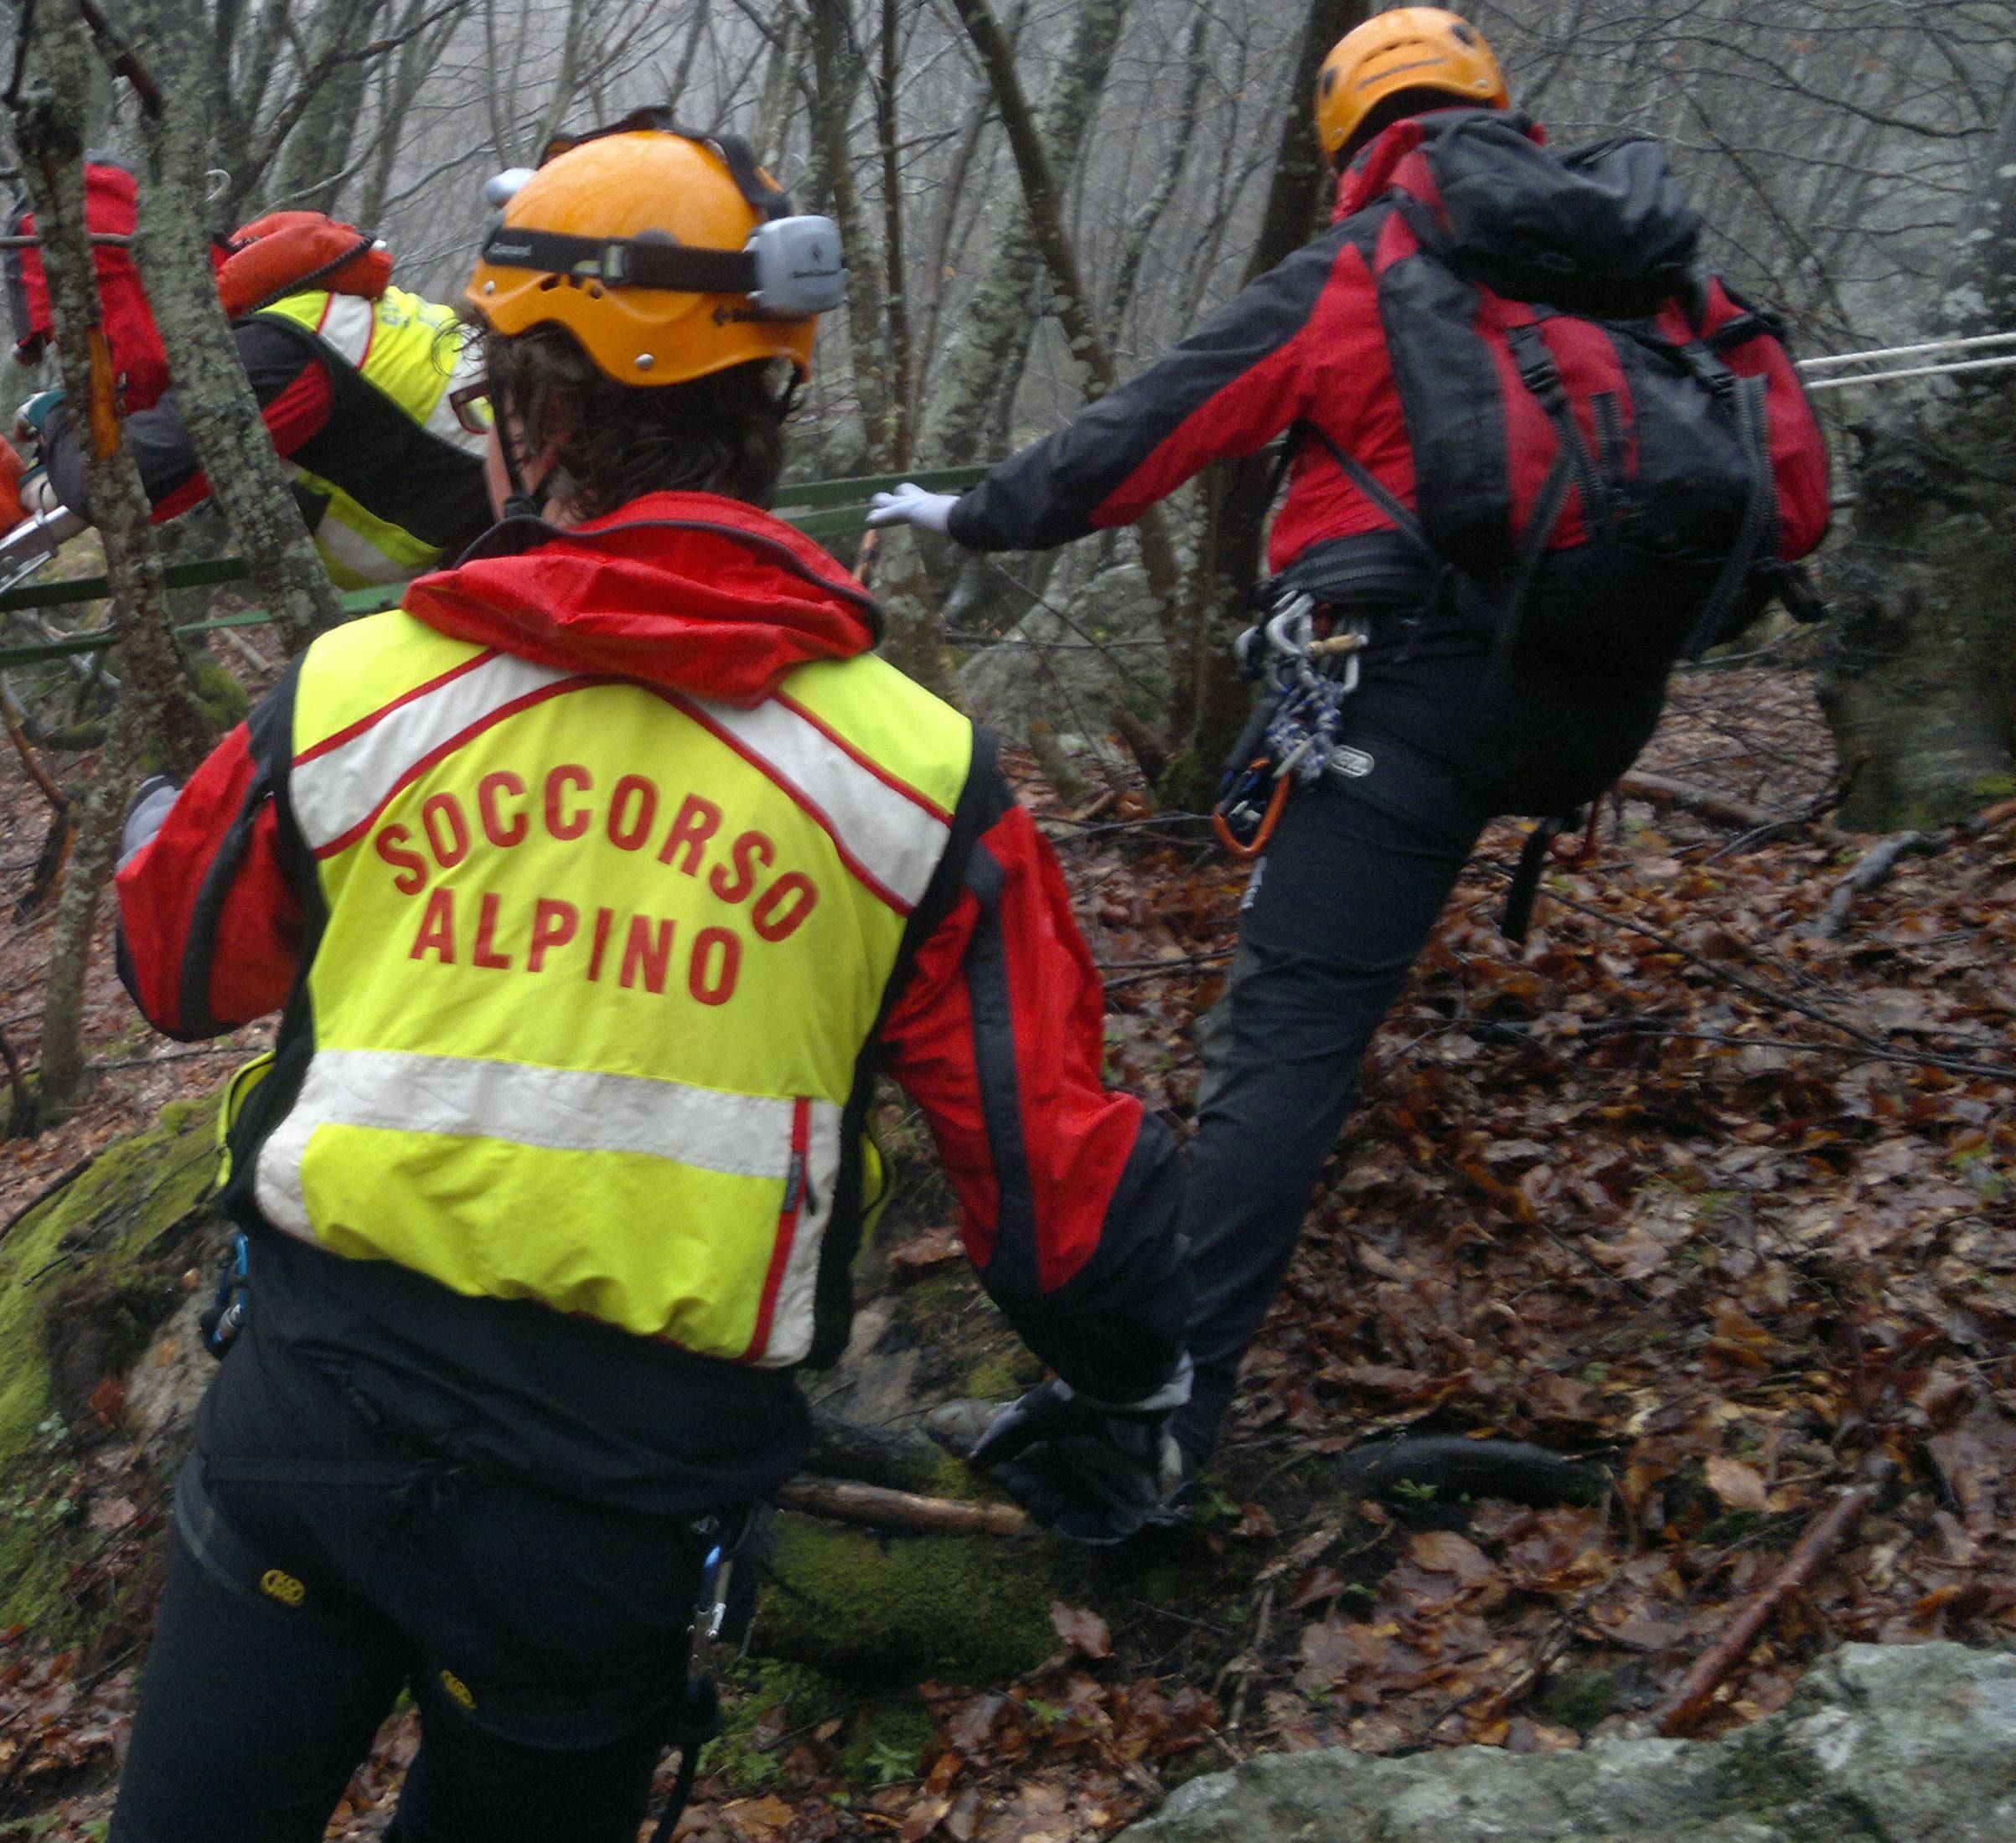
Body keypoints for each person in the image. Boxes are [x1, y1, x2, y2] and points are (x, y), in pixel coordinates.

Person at [106, 118, 1187, 1843]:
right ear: (769, 402)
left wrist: (176, 819)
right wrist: (1135, 1387)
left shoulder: (355, 696)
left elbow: (170, 965)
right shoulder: (915, 779)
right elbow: (1060, 1197)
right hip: (613, 1510)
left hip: (306, 1431)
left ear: (527, 403)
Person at [870, 8, 1827, 1474]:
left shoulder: (1369, 267)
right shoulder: (1652, 269)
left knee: (1290, 1034)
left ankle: (1161, 1416)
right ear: (1506, 112)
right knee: (1322, 988)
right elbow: (1797, 502)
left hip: (1405, 700)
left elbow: (1144, 435)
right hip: (1596, 703)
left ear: (1345, 150)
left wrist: (978, 511)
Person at [8, 188, 491, 586]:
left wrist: (58, 420)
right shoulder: (301, 311)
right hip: (482, 551)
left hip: (485, 570)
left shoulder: (277, 351)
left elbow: (116, 491)